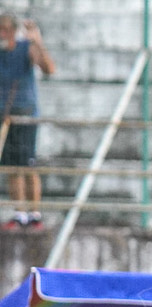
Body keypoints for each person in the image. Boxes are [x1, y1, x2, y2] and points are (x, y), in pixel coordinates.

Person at [0, 13, 55, 231]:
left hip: (26, 114)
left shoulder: (26, 48)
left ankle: (35, 213)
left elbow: (49, 68)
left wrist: (37, 41)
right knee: (12, 166)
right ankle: (20, 213)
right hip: (5, 117)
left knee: (28, 165)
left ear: (13, 30)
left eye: (4, 30)